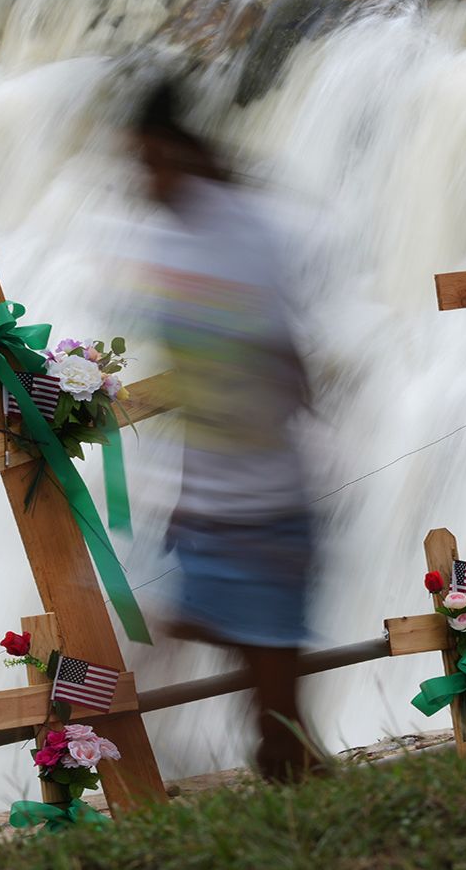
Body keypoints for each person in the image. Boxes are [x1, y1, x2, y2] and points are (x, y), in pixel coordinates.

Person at [128, 76, 332, 782]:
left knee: (263, 680)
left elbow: (281, 365)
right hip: (215, 493)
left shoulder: (239, 235)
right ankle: (133, 759)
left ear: (172, 154)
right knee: (241, 663)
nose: (138, 179)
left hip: (262, 497)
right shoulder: (185, 235)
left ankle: (124, 759)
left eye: (146, 161)